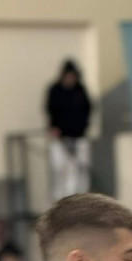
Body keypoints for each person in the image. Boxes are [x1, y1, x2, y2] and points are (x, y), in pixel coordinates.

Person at [46, 59, 91, 201]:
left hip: (79, 137)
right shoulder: (55, 90)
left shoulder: (80, 91)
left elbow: (87, 110)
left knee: (80, 170)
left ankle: (80, 200)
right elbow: (50, 110)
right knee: (60, 169)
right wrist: (54, 128)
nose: (70, 79)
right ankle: (61, 200)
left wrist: (82, 128)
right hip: (60, 138)